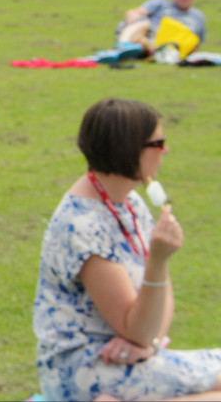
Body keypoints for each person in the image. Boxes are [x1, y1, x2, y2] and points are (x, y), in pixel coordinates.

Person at [33, 97, 221, 401]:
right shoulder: (82, 226)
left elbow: (151, 322)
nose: (166, 150)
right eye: (158, 143)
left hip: (130, 358)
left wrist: (150, 343)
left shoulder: (130, 203)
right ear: (129, 149)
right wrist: (158, 261)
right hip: (86, 369)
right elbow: (137, 328)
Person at [116, 0, 205, 55]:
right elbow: (132, 13)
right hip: (150, 35)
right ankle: (122, 45)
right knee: (143, 23)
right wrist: (136, 25)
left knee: (145, 42)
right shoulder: (161, 3)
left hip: (170, 46)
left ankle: (124, 51)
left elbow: (195, 46)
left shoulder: (198, 17)